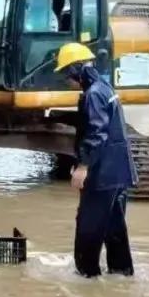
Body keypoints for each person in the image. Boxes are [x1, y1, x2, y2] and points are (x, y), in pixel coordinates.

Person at [55, 42, 135, 278]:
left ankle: (86, 278)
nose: (66, 81)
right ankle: (121, 275)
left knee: (88, 228)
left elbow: (96, 133)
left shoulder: (93, 94)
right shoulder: (104, 87)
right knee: (114, 229)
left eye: (65, 74)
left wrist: (82, 166)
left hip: (102, 174)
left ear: (76, 70)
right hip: (117, 172)